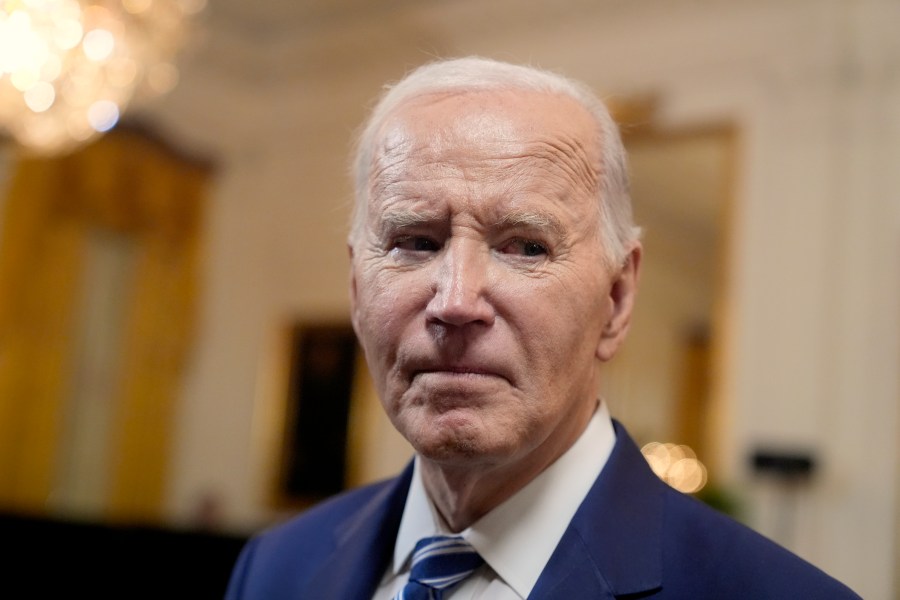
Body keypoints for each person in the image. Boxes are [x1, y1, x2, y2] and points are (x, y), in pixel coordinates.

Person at [225, 57, 859, 599]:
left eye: (525, 247)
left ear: (616, 298)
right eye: (416, 241)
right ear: (358, 288)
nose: (455, 301)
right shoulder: (277, 569)